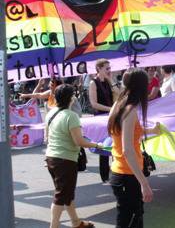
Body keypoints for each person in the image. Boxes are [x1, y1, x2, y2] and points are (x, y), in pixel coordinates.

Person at [108, 68, 160, 228]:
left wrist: (151, 131)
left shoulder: (118, 104)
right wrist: (144, 183)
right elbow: (127, 149)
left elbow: (124, 133)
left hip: (121, 172)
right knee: (130, 220)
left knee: (130, 218)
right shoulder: (129, 111)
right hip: (127, 174)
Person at [45, 84, 102, 228]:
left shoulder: (50, 113)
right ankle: (54, 226)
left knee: (66, 193)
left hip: (52, 158)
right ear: (71, 98)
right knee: (61, 195)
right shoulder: (72, 116)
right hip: (65, 160)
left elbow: (48, 138)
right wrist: (96, 145)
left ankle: (76, 222)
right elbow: (79, 141)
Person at [89, 59, 120, 182]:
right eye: (107, 68)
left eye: (109, 68)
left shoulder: (108, 82)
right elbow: (94, 104)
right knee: (104, 145)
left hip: (110, 116)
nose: (109, 70)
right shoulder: (93, 83)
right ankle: (104, 175)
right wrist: (110, 109)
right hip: (100, 116)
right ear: (99, 69)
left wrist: (110, 79)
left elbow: (119, 93)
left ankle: (116, 171)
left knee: (114, 143)